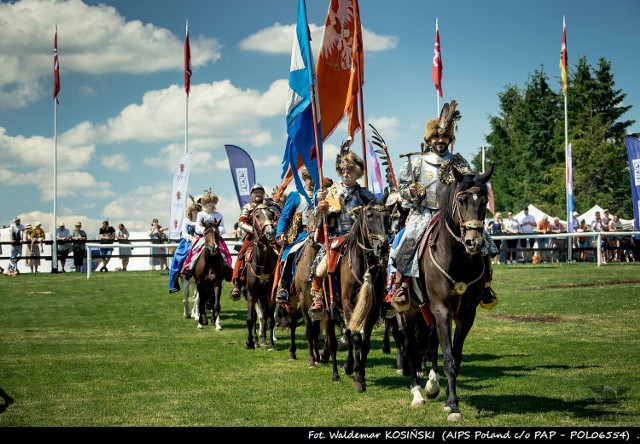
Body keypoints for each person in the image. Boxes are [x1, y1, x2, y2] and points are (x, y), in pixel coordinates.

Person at [389, 100, 499, 312]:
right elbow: (399, 190)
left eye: (444, 136)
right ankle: (403, 285)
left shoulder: (460, 162)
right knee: (407, 240)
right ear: (428, 139)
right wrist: (410, 191)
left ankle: (485, 284)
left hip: (453, 215)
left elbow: (471, 187)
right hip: (423, 212)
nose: (440, 140)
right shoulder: (415, 163)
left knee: (484, 241)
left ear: (450, 138)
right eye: (436, 136)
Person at [309, 142, 376, 319]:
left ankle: (385, 296)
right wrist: (320, 205)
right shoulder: (331, 192)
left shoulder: (364, 194)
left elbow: (377, 211)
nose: (346, 174)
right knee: (319, 267)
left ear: (357, 174)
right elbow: (317, 216)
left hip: (360, 239)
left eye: (350, 171)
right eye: (344, 171)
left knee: (379, 262)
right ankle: (317, 297)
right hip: (337, 237)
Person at [272, 167, 315, 307]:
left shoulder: (322, 195)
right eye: (310, 178)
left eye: (314, 177)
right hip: (301, 235)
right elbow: (284, 217)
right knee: (289, 255)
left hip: (320, 234)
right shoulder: (296, 195)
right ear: (305, 178)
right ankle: (284, 287)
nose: (312, 181)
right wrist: (280, 233)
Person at [182, 189, 233, 283]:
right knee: (195, 250)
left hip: (216, 237)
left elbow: (223, 228)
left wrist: (216, 231)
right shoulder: (201, 214)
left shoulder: (219, 215)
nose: (210, 204)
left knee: (223, 252)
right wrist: (206, 231)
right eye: (208, 201)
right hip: (204, 237)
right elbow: (197, 228)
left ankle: (227, 269)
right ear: (204, 203)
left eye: (212, 202)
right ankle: (189, 268)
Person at [229, 183, 269, 301]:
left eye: (260, 191)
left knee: (280, 253)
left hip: (269, 235)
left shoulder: (270, 205)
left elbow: (278, 218)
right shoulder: (248, 207)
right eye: (255, 192)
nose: (258, 194)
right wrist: (255, 231)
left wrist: (270, 228)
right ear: (251, 194)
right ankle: (237, 283)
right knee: (242, 255)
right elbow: (241, 222)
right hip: (252, 237)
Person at [169, 199, 201, 292]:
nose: (195, 212)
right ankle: (174, 281)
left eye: (197, 210)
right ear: (190, 212)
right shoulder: (186, 220)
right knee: (178, 258)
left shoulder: (201, 221)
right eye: (193, 210)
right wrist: (190, 238)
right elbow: (183, 232)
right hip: (188, 242)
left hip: (200, 240)